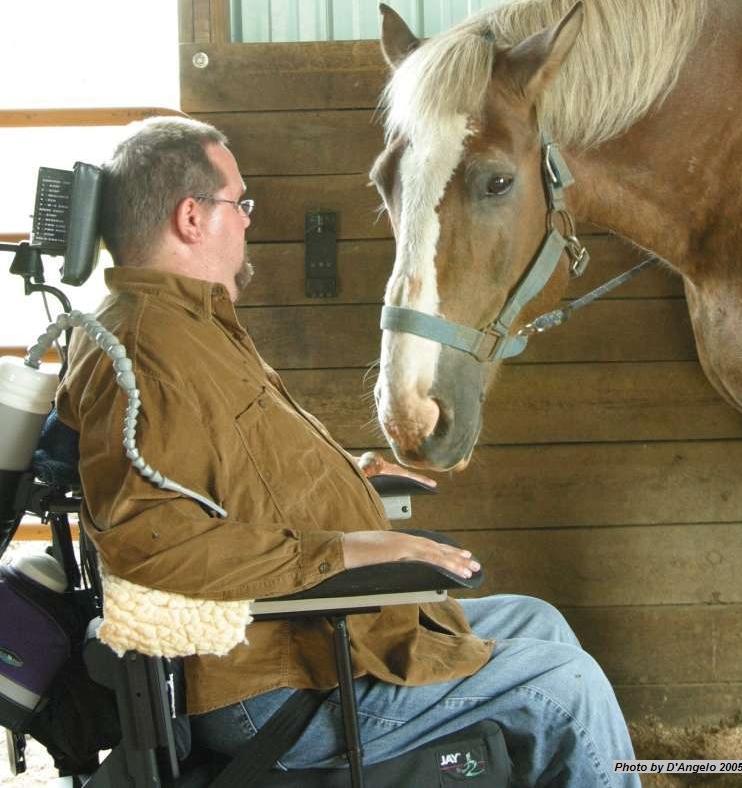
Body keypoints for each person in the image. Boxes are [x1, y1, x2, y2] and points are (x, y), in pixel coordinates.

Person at [57, 116, 641, 787]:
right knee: (564, 683)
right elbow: (150, 539)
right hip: (276, 679)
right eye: (237, 204)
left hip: (307, 637)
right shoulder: (148, 348)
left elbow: (230, 472)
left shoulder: (192, 325)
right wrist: (351, 548)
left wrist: (348, 474)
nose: (247, 220)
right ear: (192, 217)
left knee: (539, 619)